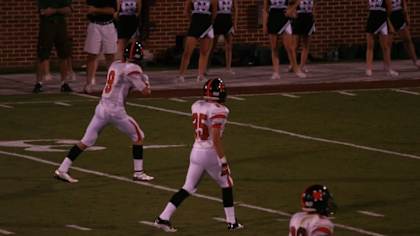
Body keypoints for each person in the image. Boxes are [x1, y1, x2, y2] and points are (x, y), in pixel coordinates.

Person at [54, 41, 154, 183]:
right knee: (138, 136)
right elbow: (146, 92)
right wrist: (146, 81)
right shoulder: (133, 68)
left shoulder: (115, 64)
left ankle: (62, 169)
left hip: (102, 107)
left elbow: (121, 87)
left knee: (86, 140)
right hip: (115, 111)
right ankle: (138, 173)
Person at [154, 78, 243, 232]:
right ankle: (232, 222)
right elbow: (215, 139)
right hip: (209, 153)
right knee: (227, 183)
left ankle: (163, 218)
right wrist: (223, 161)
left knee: (187, 187)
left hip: (196, 151)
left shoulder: (196, 105)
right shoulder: (220, 110)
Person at [33, 0, 73, 93]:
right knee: (42, 53)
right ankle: (39, 83)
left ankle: (64, 83)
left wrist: (55, 10)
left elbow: (68, 10)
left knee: (64, 54)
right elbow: (43, 11)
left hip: (60, 25)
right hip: (47, 24)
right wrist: (59, 10)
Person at [175, 0, 217, 83]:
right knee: (187, 52)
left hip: (206, 26)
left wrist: (209, 24)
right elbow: (186, 11)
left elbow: (214, 14)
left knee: (204, 52)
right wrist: (193, 21)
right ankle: (181, 75)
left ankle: (200, 75)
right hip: (194, 26)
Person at [263, 0, 306, 80]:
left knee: (290, 47)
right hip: (273, 18)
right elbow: (265, 9)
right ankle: (276, 72)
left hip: (284, 18)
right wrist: (264, 24)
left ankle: (296, 69)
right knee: (274, 47)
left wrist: (291, 9)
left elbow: (297, 1)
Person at [84, 0, 118, 93]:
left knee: (110, 55)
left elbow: (111, 10)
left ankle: (111, 83)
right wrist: (97, 10)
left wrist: (96, 10)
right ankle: (89, 83)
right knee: (92, 55)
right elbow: (89, 9)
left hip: (108, 25)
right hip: (94, 25)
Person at [365, 0, 399, 77]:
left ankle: (389, 69)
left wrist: (385, 18)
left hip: (382, 19)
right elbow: (368, 6)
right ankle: (369, 68)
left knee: (385, 46)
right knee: (370, 46)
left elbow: (390, 7)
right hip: (372, 19)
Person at [208, 0, 238, 75]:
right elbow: (212, 9)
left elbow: (236, 9)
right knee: (212, 46)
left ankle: (228, 68)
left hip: (228, 20)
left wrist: (235, 23)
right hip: (218, 20)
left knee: (229, 45)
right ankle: (206, 67)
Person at [389, 0, 420, 69]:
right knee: (388, 44)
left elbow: (404, 3)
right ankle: (388, 66)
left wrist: (406, 16)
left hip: (399, 14)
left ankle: (415, 61)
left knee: (407, 39)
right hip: (389, 15)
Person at [290, 0, 315, 73]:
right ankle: (293, 65)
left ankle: (302, 66)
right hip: (299, 18)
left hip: (308, 18)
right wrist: (293, 11)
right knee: (295, 45)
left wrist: (313, 16)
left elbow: (314, 6)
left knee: (306, 45)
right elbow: (291, 4)